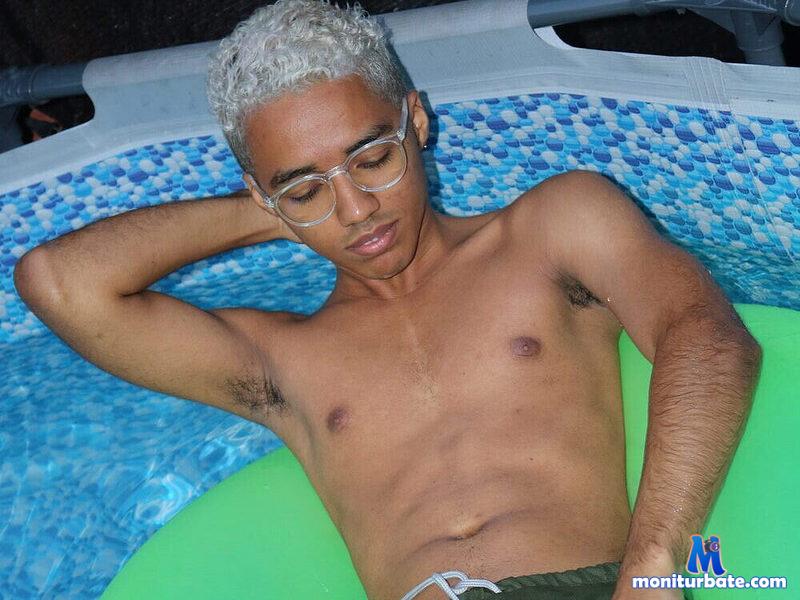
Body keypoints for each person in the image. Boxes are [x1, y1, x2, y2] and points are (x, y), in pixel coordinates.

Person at [13, 1, 761, 598]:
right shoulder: (284, 360)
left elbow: (705, 334)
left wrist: (656, 563)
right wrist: (281, 207)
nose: (358, 210)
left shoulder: (554, 228)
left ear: (418, 120)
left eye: (372, 157)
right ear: (263, 196)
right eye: (305, 189)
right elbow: (57, 282)